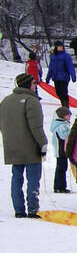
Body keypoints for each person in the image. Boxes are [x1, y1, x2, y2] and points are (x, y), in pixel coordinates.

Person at [1, 73, 47, 218]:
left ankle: (19, 210)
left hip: (12, 147)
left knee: (16, 178)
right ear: (27, 84)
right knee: (33, 179)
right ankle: (33, 209)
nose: (36, 86)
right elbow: (36, 127)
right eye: (34, 83)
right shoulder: (31, 101)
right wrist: (43, 144)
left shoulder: (6, 101)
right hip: (30, 148)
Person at [45, 42, 77, 109]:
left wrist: (73, 76)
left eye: (61, 47)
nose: (60, 48)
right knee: (58, 93)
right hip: (56, 77)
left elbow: (70, 67)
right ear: (56, 47)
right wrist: (48, 77)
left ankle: (66, 107)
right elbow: (51, 68)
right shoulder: (53, 56)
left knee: (64, 93)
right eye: (59, 47)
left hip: (64, 77)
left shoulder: (66, 56)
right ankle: (64, 106)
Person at [51, 106, 73, 194]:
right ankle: (60, 187)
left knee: (61, 167)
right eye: (68, 115)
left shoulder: (59, 124)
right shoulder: (62, 126)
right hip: (61, 150)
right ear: (64, 116)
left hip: (59, 150)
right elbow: (65, 136)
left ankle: (60, 186)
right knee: (62, 168)